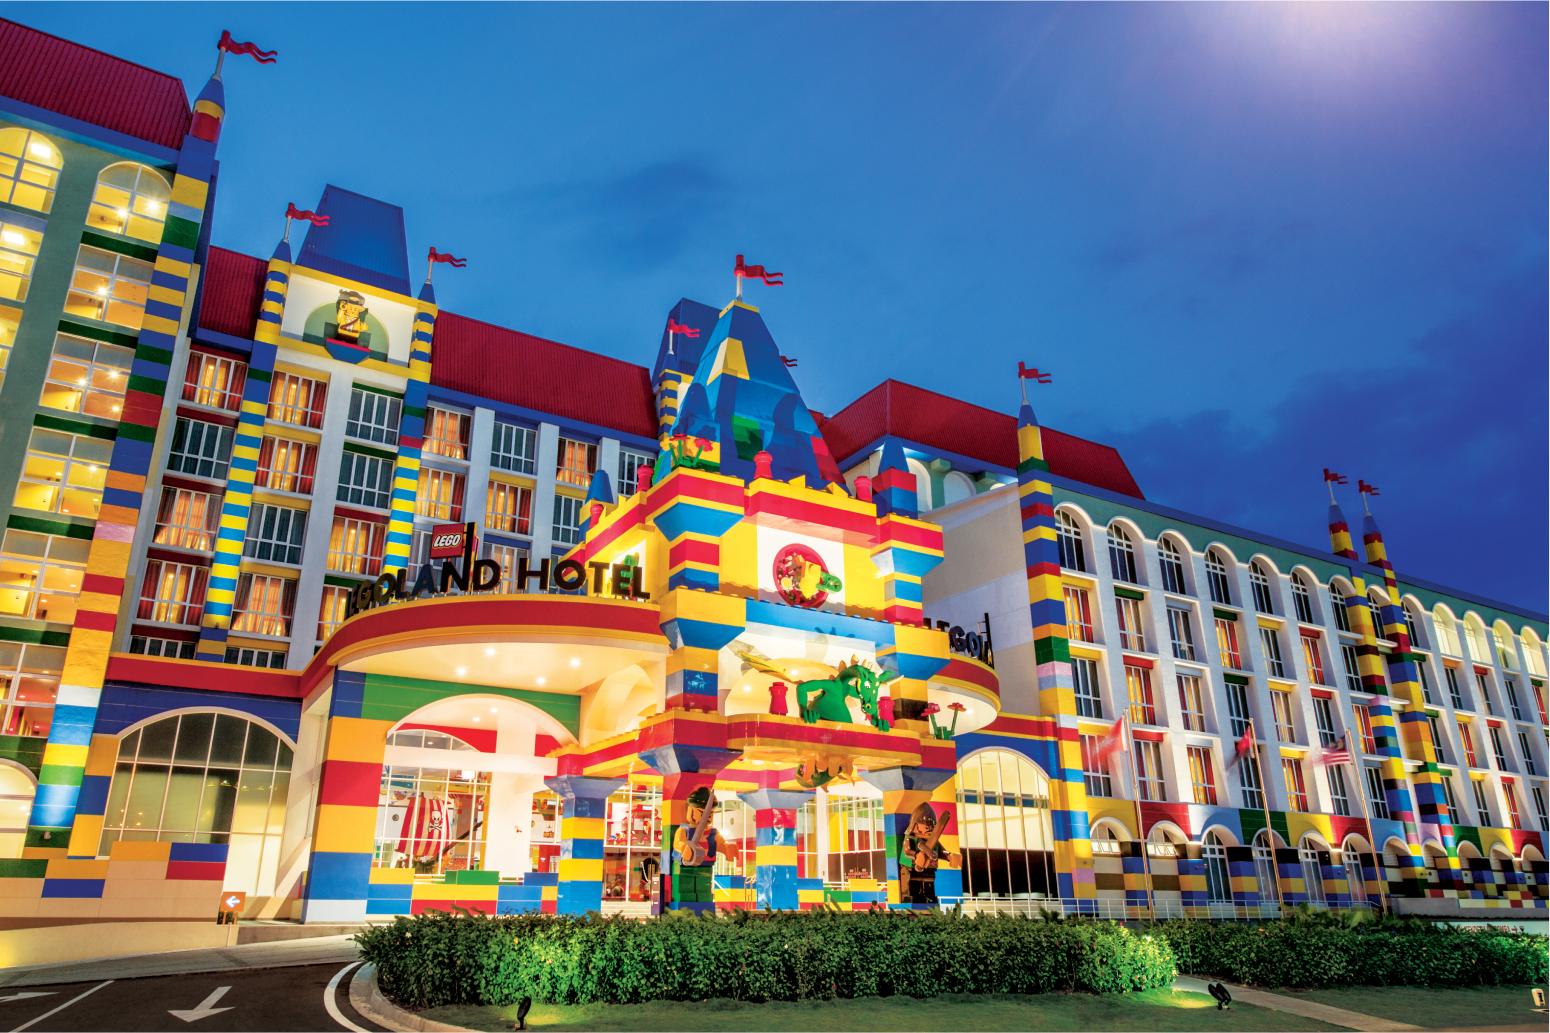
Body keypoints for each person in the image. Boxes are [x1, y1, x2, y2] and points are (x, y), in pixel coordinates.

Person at [899, 804, 960, 905]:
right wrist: (916, 855)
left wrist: (949, 856)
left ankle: (930, 897)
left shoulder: (933, 841)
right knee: (913, 884)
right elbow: (907, 851)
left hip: (929, 869)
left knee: (929, 884)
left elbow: (940, 852)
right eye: (926, 825)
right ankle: (913, 897)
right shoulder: (911, 839)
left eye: (931, 826)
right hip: (911, 868)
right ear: (915, 825)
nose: (929, 828)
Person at [670, 787, 718, 905]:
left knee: (703, 886)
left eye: (711, 813)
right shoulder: (684, 830)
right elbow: (678, 843)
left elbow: (718, 843)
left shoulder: (712, 833)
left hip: (705, 866)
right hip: (686, 866)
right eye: (702, 812)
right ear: (691, 811)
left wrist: (726, 848)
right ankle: (684, 901)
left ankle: (704, 901)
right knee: (686, 886)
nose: (708, 816)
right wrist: (683, 847)